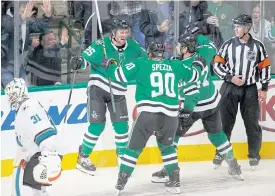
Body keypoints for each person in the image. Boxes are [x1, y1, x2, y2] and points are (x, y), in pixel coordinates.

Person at [102, 41, 204, 195]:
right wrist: (198, 66)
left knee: (133, 149)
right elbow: (194, 76)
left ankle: (121, 182)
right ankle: (175, 181)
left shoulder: (141, 63)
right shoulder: (174, 65)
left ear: (149, 53)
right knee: (167, 148)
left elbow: (118, 75)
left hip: (148, 115)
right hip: (170, 117)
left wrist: (110, 65)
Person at [150, 34, 243, 184]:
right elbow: (211, 44)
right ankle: (234, 166)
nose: (178, 47)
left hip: (192, 106)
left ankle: (169, 170)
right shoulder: (204, 52)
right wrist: (196, 36)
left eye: (181, 45)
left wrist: (186, 111)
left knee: (172, 137)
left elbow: (188, 92)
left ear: (186, 48)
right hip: (212, 104)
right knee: (216, 135)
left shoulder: (183, 67)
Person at [74, 19, 147, 175]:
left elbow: (146, 59)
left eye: (126, 32)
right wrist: (78, 62)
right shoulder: (101, 44)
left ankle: (121, 159)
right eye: (121, 32)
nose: (125, 35)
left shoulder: (133, 46)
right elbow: (85, 60)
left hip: (119, 90)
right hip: (98, 87)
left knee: (122, 126)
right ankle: (83, 157)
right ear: (114, 32)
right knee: (97, 125)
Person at [213, 14, 271, 170]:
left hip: (249, 90)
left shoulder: (258, 46)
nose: (236, 29)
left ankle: (253, 155)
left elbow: (264, 67)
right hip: (229, 88)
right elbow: (217, 65)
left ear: (247, 28)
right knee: (225, 124)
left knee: (252, 124)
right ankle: (220, 153)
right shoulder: (227, 45)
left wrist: (264, 88)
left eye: (239, 26)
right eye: (235, 26)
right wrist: (230, 77)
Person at [5, 78, 62, 196]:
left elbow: (44, 131)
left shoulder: (28, 108)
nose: (9, 97)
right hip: (33, 160)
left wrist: (48, 155)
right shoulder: (26, 107)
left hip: (33, 162)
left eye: (12, 93)